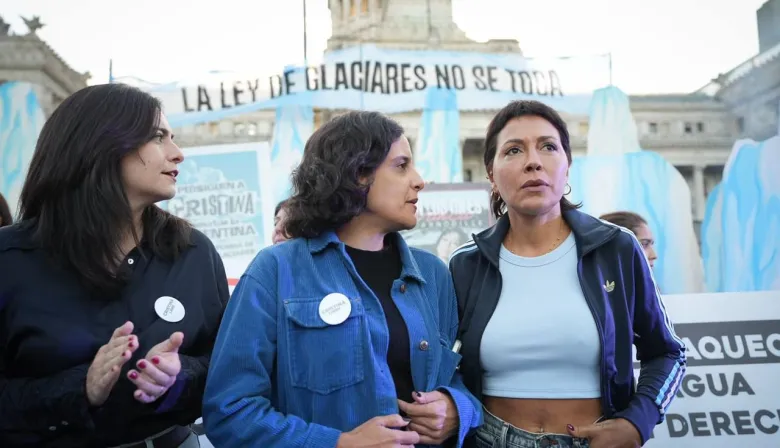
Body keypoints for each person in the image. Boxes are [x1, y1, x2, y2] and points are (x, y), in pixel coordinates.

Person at [203, 111, 481, 447]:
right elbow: (230, 412)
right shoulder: (275, 270)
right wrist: (338, 443)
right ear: (358, 174)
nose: (419, 180)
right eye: (401, 165)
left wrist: (458, 407)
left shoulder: (432, 274)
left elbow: (453, 373)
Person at [0, 84, 228, 448]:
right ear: (100, 145)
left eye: (173, 137)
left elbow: (229, 367)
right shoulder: (10, 259)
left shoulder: (193, 253)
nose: (178, 153)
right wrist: (81, 388)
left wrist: (179, 375)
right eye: (158, 137)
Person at [449, 100, 686, 448]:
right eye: (513, 150)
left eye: (548, 146)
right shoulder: (465, 265)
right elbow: (439, 368)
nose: (533, 161)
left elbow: (667, 353)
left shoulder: (617, 248)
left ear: (567, 165)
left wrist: (638, 422)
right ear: (491, 174)